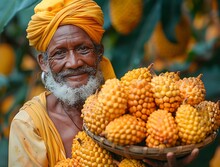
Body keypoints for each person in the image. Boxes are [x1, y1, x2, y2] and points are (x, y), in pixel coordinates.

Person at [8, 0, 199, 166]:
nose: (74, 63)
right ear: (43, 62)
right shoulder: (29, 126)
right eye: (60, 53)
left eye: (83, 49)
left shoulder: (133, 106)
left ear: (99, 52)